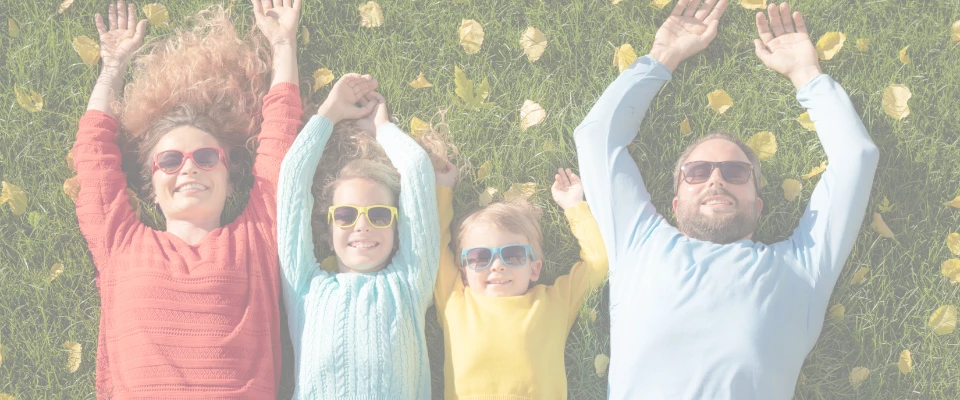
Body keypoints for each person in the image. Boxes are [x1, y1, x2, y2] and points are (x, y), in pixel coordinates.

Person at [573, 1, 879, 398]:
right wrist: (662, 56)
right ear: (676, 202)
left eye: (736, 173)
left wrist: (807, 74)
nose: (716, 179)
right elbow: (596, 138)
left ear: (758, 204)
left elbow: (857, 157)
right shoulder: (638, 244)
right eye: (697, 173)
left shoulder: (802, 269)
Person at [72, 0, 301, 396]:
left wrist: (283, 44)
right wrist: (112, 67)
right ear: (151, 186)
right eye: (171, 160)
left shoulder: (257, 238)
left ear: (230, 180)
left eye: (207, 157)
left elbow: (280, 143)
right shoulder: (119, 243)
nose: (189, 168)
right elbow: (93, 158)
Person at [276, 83, 440, 399]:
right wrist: (328, 113)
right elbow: (292, 182)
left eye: (379, 216)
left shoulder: (410, 283)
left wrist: (383, 129)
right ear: (328, 229)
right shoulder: (304, 288)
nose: (362, 226)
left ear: (398, 229)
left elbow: (417, 170)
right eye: (346, 215)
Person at [433, 168, 607, 399]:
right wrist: (442, 191)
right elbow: (433, 246)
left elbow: (598, 262)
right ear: (464, 271)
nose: (497, 265)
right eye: (480, 257)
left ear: (534, 269)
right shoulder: (454, 301)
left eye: (513, 254)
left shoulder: (555, 303)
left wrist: (573, 205)